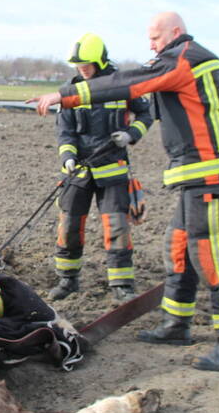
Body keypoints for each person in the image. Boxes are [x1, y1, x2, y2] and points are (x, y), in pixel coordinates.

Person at [29, 12, 219, 371]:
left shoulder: (183, 58)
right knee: (178, 247)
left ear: (176, 33)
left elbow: (129, 84)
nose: (151, 45)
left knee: (210, 255)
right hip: (194, 175)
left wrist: (64, 95)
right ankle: (176, 324)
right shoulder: (189, 59)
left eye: (155, 37)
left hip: (208, 174)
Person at [49, 33, 153, 304]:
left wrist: (131, 134)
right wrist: (68, 158)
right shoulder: (70, 90)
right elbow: (65, 132)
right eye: (78, 65)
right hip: (79, 171)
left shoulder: (122, 86)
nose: (81, 69)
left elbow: (146, 113)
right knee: (69, 225)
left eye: (86, 64)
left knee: (117, 227)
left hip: (112, 170)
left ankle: (121, 284)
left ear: (100, 61)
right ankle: (67, 280)